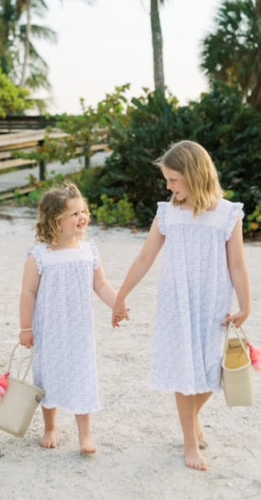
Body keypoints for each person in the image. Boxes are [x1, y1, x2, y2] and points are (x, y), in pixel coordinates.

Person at [112, 140, 251, 471]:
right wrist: (121, 295)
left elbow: (238, 266)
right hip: (177, 305)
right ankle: (190, 441)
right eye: (167, 180)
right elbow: (146, 256)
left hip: (213, 306)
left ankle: (192, 417)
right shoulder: (168, 213)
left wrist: (246, 306)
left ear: (195, 175)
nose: (169, 186)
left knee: (213, 374)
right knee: (182, 373)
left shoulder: (227, 214)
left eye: (173, 179)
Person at [19, 182, 118, 454]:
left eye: (83, 211)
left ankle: (85, 435)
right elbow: (28, 293)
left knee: (82, 376)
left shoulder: (89, 251)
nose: (83, 217)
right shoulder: (39, 255)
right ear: (55, 220)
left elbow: (101, 285)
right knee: (48, 377)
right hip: (49, 329)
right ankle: (50, 427)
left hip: (79, 330)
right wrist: (26, 328)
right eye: (74, 214)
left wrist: (117, 304)